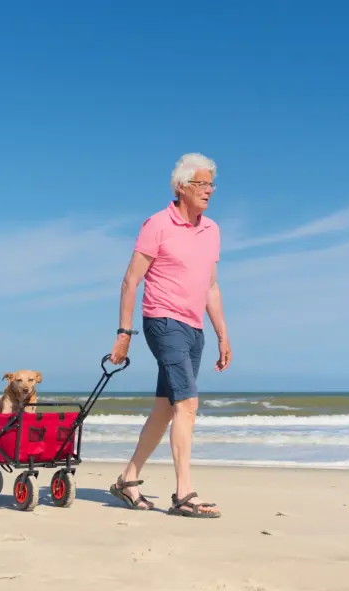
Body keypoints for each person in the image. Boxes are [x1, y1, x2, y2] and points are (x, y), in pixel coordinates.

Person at [107, 152, 231, 518]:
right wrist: (124, 332)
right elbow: (131, 280)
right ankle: (184, 494)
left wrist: (222, 334)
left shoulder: (212, 230)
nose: (209, 190)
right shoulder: (157, 224)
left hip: (194, 327)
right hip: (162, 321)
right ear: (181, 187)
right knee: (187, 405)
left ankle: (127, 480)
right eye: (201, 183)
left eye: (211, 184)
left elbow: (210, 287)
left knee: (165, 408)